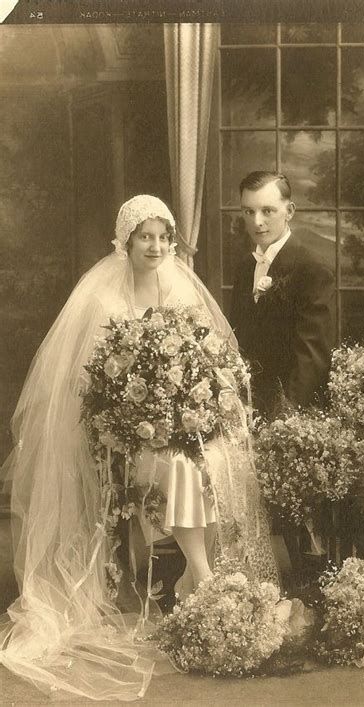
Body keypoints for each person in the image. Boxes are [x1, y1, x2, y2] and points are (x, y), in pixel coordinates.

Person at [0, 195, 277, 701]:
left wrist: (204, 411)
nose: (155, 246)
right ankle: (206, 583)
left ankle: (194, 584)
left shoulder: (182, 292)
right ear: (126, 241)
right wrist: (141, 418)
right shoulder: (103, 300)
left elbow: (211, 366)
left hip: (184, 426)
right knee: (183, 470)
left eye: (162, 236)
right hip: (130, 439)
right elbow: (89, 391)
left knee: (216, 458)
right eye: (144, 236)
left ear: (172, 241)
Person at [230, 172, 335, 574]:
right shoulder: (247, 268)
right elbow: (242, 340)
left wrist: (286, 416)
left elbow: (313, 352)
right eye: (249, 211)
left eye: (267, 210)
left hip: (296, 405)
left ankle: (310, 572)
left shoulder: (310, 267)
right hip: (253, 401)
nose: (257, 221)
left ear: (289, 211)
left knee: (295, 490)